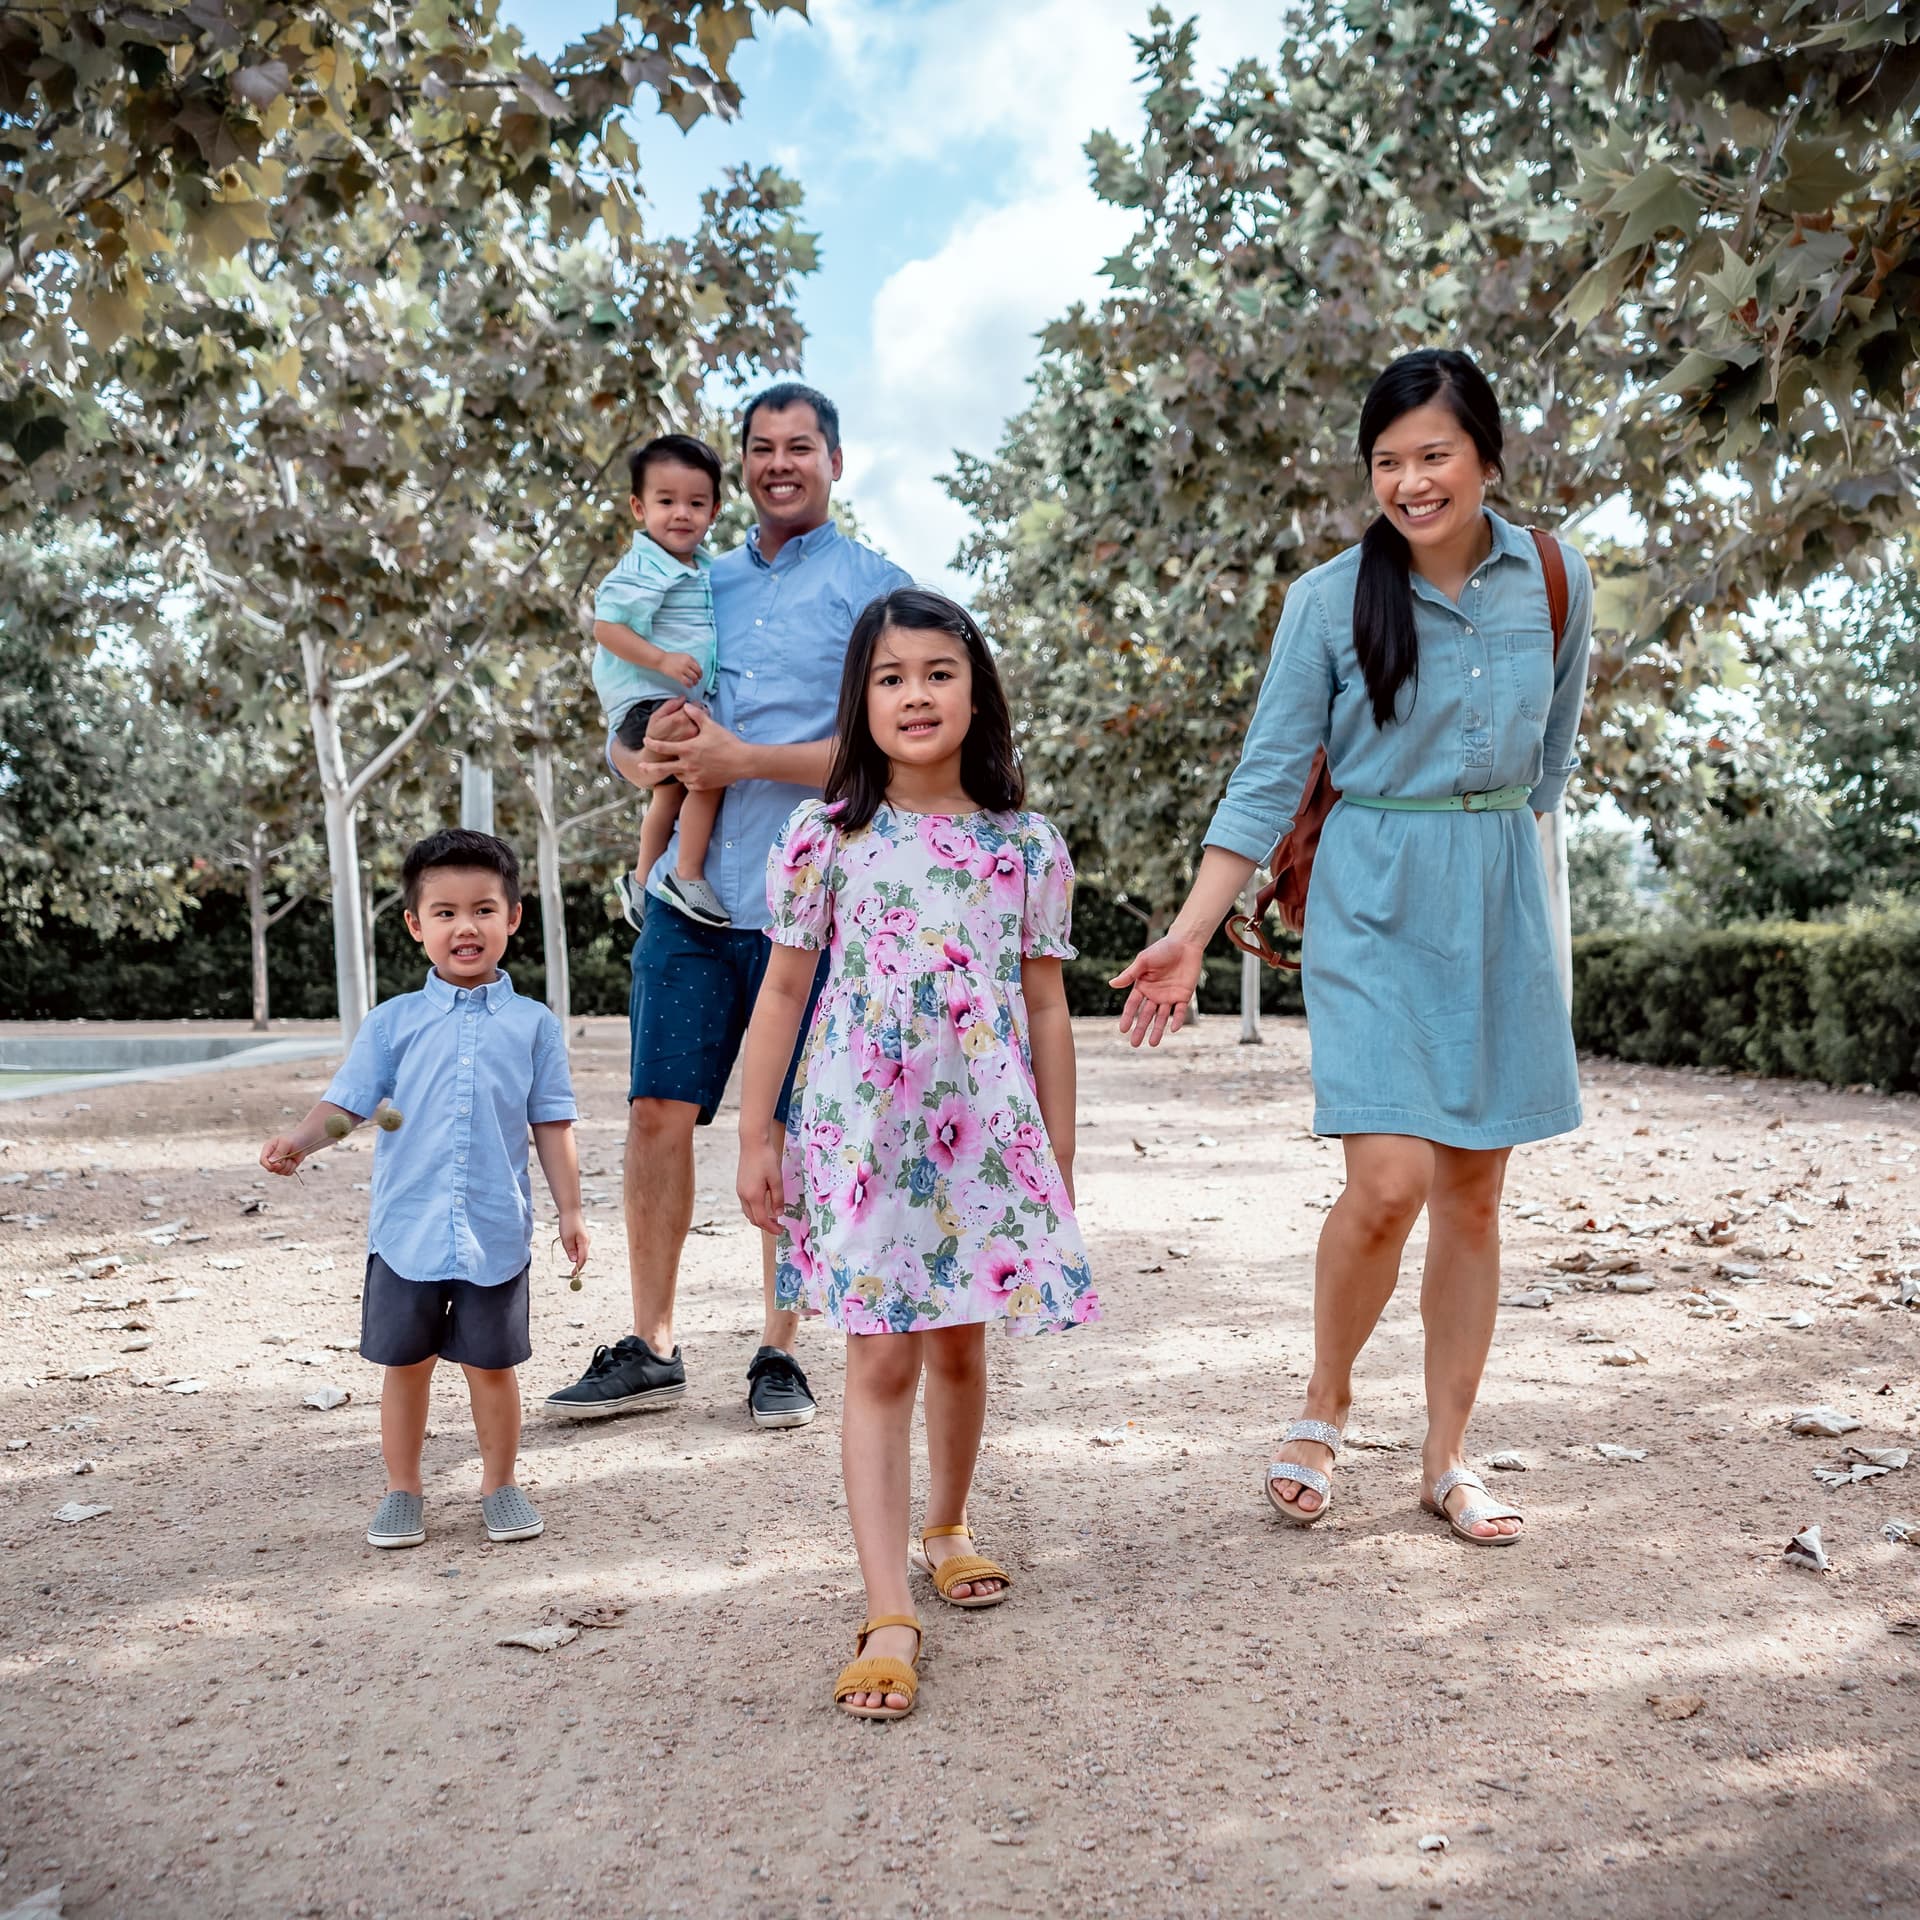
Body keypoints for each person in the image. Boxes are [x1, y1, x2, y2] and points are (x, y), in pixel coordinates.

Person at [1112, 348, 1592, 1549]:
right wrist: (1185, 933)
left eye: (1435, 456)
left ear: (1486, 454)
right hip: (1372, 897)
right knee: (1390, 1182)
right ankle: (1325, 1405)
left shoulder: (1554, 576)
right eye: (1388, 461)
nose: (1412, 482)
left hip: (1497, 897)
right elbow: (1269, 777)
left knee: (1475, 1196)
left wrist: (1503, 884)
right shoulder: (1329, 601)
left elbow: (1552, 768)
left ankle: (1446, 1459)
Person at [736, 586, 1099, 1720]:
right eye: (890, 678)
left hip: (983, 1139)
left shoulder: (1024, 846)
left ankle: (950, 1523)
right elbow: (785, 989)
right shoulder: (825, 837)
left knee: (958, 1350)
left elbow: (1046, 1010)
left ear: (976, 687)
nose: (915, 695)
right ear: (862, 701)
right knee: (880, 1360)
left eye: (938, 671)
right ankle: (887, 1604)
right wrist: (759, 1131)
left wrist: (1057, 1156)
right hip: (862, 1142)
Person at [545, 383, 912, 1430]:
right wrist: (639, 756)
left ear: (836, 461)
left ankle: (779, 1348)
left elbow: (898, 744)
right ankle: (651, 1343)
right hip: (689, 903)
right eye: (761, 448)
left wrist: (744, 758)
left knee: (793, 1131)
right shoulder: (687, 578)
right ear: (741, 464)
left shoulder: (877, 593)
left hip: (818, 907)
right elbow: (625, 735)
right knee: (658, 1111)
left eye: (801, 447)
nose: (779, 464)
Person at [260, 829, 587, 1549]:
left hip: (495, 1231)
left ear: (513, 918)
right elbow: (348, 1108)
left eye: (482, 909)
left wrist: (570, 1209)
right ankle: (401, 1490)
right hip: (405, 1232)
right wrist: (300, 1145)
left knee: (491, 1368)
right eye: (443, 913)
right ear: (415, 925)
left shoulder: (534, 1027)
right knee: (404, 1367)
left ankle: (499, 1484)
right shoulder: (392, 1024)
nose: (464, 926)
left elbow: (551, 1124)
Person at [592, 433, 731, 931]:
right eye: (666, 501)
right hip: (646, 697)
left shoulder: (703, 569)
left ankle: (642, 876)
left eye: (696, 503)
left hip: (664, 699)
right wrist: (664, 660)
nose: (681, 514)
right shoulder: (645, 567)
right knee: (710, 771)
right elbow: (606, 628)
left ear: (715, 510)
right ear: (638, 507)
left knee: (670, 794)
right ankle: (686, 873)